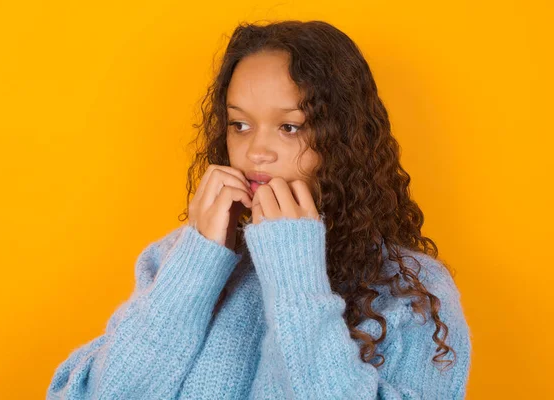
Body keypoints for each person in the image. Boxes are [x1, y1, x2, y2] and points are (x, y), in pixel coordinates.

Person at [47, 20, 472, 399]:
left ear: (344, 140)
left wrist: (294, 275)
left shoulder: (413, 293)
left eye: (289, 127)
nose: (256, 152)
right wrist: (196, 263)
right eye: (240, 125)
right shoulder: (176, 259)